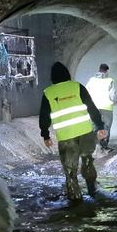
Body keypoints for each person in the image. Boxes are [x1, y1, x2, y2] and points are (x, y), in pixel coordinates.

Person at [39, 62, 107, 201]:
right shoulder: (77, 86)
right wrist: (99, 126)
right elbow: (91, 107)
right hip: (86, 133)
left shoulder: (48, 93)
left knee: (70, 172)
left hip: (66, 137)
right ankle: (93, 191)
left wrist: (46, 135)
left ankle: (76, 201)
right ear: (67, 74)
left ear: (52, 77)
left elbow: (44, 116)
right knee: (88, 161)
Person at [84, 63, 116, 150]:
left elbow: (85, 92)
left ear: (99, 69)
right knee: (106, 127)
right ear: (107, 71)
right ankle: (103, 146)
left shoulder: (91, 80)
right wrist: (115, 101)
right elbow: (113, 96)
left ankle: (96, 147)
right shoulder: (110, 80)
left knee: (95, 126)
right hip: (106, 108)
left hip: (93, 108)